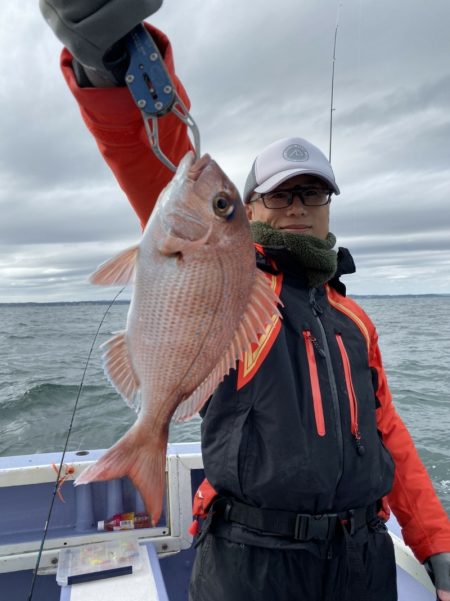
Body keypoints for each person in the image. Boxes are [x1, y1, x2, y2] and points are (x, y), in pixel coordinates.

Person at [39, 1, 450, 599]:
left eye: (312, 194)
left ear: (330, 206)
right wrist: (106, 62)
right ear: (250, 209)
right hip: (252, 565)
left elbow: (388, 435)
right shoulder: (236, 280)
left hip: (362, 559)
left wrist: (435, 543)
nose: (298, 207)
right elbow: (155, 160)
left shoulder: (353, 318)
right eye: (279, 196)